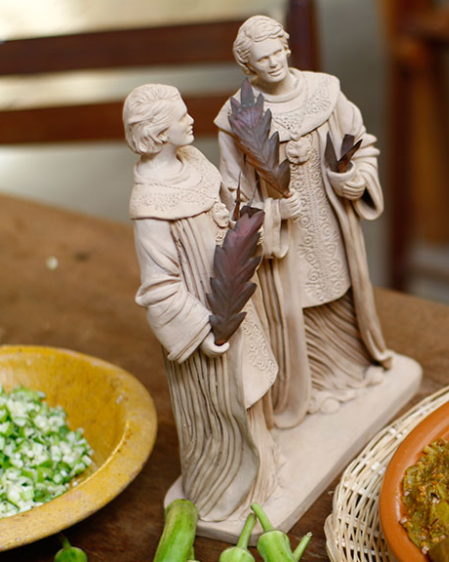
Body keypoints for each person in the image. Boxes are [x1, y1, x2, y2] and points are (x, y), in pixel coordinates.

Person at [215, 15, 392, 429]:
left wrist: (353, 179)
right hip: (285, 237)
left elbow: (361, 144)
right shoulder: (237, 117)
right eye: (262, 59)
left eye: (277, 52)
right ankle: (309, 389)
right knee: (297, 306)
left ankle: (352, 367)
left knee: (341, 289)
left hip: (331, 221)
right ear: (248, 66)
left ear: (287, 47)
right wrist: (273, 212)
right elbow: (232, 193)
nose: (274, 62)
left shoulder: (324, 92)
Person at [124, 83, 281, 521]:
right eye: (181, 116)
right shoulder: (150, 205)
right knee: (224, 407)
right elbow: (159, 286)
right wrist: (201, 330)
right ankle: (228, 487)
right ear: (158, 133)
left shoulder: (193, 160)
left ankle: (265, 469)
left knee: (253, 389)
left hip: (235, 295)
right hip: (208, 322)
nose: (191, 119)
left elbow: (226, 210)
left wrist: (251, 223)